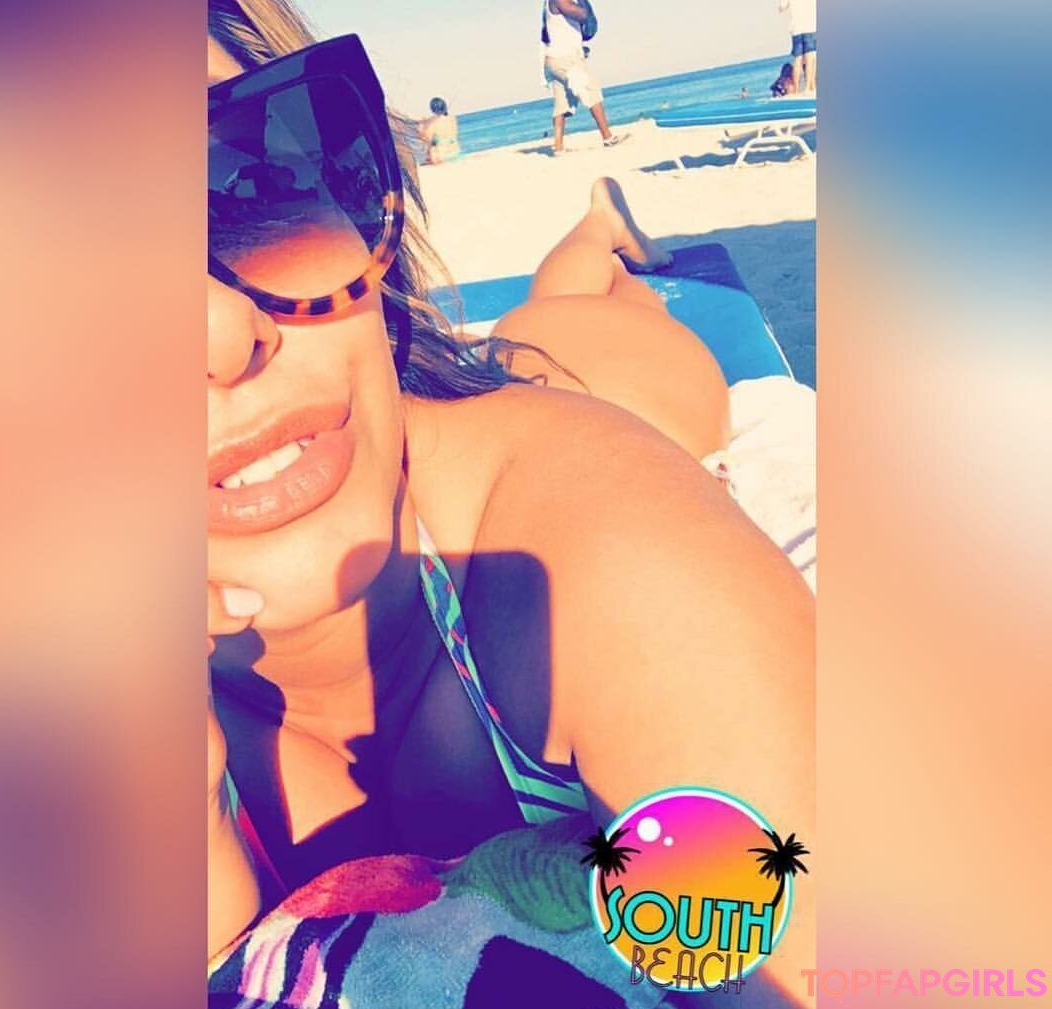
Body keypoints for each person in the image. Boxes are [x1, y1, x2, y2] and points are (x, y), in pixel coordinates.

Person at [207, 0, 812, 1001]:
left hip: (588, 382)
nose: (222, 337)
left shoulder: (595, 547)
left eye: (250, 186)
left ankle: (599, 230)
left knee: (575, 330)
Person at [540, 0, 627, 153]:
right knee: (590, 88)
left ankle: (558, 147)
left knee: (562, 101)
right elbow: (580, 14)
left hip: (554, 58)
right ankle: (608, 137)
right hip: (565, 58)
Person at [779, 0, 816, 93]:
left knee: (798, 60)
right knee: (810, 59)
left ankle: (796, 90)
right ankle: (809, 87)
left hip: (796, 28)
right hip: (809, 26)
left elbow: (781, 7)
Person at [419, 95, 461, 165]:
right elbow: (455, 133)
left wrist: (422, 126)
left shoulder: (432, 122)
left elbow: (426, 139)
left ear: (432, 109)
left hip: (441, 157)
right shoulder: (452, 118)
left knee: (432, 145)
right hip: (456, 153)